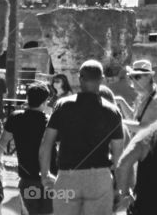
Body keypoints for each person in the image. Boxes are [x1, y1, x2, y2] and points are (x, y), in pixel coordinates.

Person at [39, 60, 125, 215]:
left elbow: (46, 143)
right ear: (101, 79)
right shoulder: (113, 111)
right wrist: (120, 186)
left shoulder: (62, 105)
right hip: (99, 177)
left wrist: (45, 174)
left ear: (80, 78)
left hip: (68, 175)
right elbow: (119, 155)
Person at [0, 83, 52, 215]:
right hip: (49, 177)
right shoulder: (50, 122)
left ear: (27, 98)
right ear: (45, 101)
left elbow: (3, 142)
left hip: (28, 177)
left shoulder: (16, 117)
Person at [124, 60, 157, 134]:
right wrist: (121, 101)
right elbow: (134, 120)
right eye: (131, 77)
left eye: (137, 77)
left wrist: (118, 123)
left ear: (149, 77)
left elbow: (146, 128)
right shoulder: (141, 96)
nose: (133, 81)